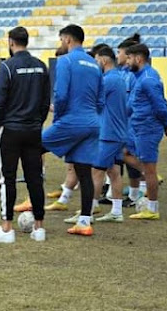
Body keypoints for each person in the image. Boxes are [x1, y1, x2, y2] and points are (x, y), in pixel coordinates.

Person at [0, 26, 50, 243]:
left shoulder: (7, 66)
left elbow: (0, 99)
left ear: (11, 43)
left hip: (10, 130)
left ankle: (6, 228)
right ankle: (39, 228)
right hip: (33, 130)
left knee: (7, 178)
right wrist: (37, 122)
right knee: (35, 177)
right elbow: (44, 101)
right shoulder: (41, 66)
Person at [42, 24, 103, 236]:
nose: (61, 44)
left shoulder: (66, 61)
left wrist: (58, 119)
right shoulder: (95, 65)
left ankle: (33, 202)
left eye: (61, 40)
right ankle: (84, 222)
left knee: (32, 147)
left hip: (71, 120)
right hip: (92, 122)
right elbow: (100, 99)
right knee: (83, 171)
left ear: (68, 40)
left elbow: (60, 95)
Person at [123, 43, 167, 220]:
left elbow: (160, 105)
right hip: (137, 126)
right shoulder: (138, 76)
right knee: (125, 152)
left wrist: (166, 124)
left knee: (150, 169)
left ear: (138, 58)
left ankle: (152, 209)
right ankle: (149, 198)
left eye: (129, 58)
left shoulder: (148, 79)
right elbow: (133, 103)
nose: (127, 62)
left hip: (147, 128)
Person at [88, 46, 127, 223]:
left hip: (109, 133)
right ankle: (117, 211)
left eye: (96, 60)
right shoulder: (118, 77)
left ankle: (89, 210)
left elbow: (96, 102)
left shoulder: (107, 80)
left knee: (96, 171)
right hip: (117, 131)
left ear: (103, 60)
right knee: (113, 171)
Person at [116, 34, 145, 206]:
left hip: (133, 123)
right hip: (126, 122)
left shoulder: (134, 76)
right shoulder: (124, 73)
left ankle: (147, 183)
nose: (118, 55)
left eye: (120, 52)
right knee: (126, 155)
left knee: (130, 154)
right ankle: (134, 195)